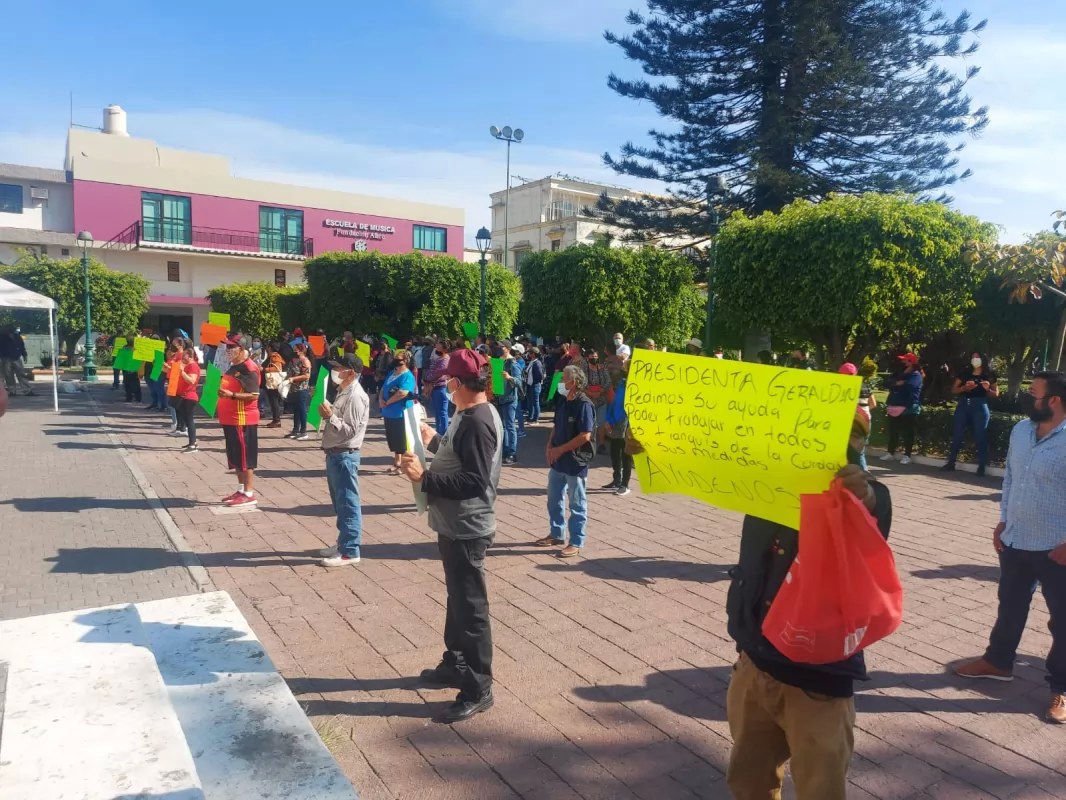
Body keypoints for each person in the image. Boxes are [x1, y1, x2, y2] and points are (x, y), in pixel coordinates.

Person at [725, 411, 893, 799]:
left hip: (819, 682)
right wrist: (655, 450)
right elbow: (709, 462)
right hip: (753, 660)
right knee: (747, 780)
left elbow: (874, 508)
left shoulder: (862, 493)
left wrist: (861, 496)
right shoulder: (768, 478)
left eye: (853, 438)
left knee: (820, 788)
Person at [953, 372, 1066, 724]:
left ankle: (1061, 688)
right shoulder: (1020, 431)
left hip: (1057, 548)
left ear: (1054, 401)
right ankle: (998, 662)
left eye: (1032, 393)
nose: (1024, 397)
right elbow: (1011, 479)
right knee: (1010, 606)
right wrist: (1003, 521)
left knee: (1063, 622)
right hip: (1016, 540)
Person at [398, 348, 502, 723]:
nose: (445, 387)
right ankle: (455, 663)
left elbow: (474, 481)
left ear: (457, 383)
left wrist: (424, 478)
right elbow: (459, 456)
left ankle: (478, 687)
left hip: (467, 527)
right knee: (458, 599)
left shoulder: (477, 421)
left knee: (471, 608)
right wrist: (433, 441)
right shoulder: (470, 414)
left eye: (447, 382)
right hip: (455, 525)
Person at [316, 354, 371, 568]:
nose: (335, 371)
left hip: (345, 455)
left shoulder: (357, 396)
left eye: (339, 368)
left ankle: (350, 550)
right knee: (340, 503)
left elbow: (350, 431)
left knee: (348, 503)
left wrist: (331, 416)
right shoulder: (344, 391)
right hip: (335, 454)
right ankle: (343, 542)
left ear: (351, 372)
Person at [535, 364, 595, 558]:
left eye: (564, 379)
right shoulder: (563, 400)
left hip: (575, 461)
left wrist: (560, 449)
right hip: (558, 460)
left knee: (577, 503)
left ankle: (576, 541)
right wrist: (549, 445)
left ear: (574, 382)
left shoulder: (584, 404)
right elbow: (556, 425)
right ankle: (556, 533)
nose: (560, 382)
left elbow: (585, 435)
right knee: (553, 499)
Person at [217, 335, 262, 507]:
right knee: (235, 456)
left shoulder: (249, 368)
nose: (228, 351)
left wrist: (232, 395)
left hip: (243, 419)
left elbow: (253, 395)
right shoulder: (234, 366)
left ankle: (249, 493)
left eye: (231, 348)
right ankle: (241, 490)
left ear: (242, 349)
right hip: (230, 418)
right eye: (227, 348)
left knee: (245, 457)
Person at [942, 351, 999, 477]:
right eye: (973, 357)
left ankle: (981, 467)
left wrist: (987, 389)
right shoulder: (965, 373)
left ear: (983, 359)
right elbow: (954, 389)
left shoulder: (989, 374)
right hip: (964, 404)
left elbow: (995, 394)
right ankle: (951, 463)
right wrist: (964, 388)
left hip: (980, 406)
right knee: (957, 435)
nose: (975, 359)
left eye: (977, 357)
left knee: (980, 436)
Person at [881, 353, 923, 465]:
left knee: (907, 433)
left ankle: (907, 455)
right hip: (894, 405)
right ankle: (890, 453)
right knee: (893, 432)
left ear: (911, 362)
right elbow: (887, 383)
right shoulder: (899, 373)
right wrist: (897, 383)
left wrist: (899, 383)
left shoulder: (916, 375)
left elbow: (910, 386)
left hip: (908, 408)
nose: (903, 362)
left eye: (906, 360)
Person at [379, 349, 416, 475]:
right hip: (388, 411)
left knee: (401, 440)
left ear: (405, 361)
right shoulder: (392, 373)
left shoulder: (408, 376)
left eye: (399, 359)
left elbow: (402, 393)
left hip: (400, 412)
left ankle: (403, 466)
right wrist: (380, 400)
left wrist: (388, 402)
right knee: (393, 439)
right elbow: (384, 387)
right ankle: (397, 462)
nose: (396, 361)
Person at [603, 359, 634, 495]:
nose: (623, 367)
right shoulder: (622, 382)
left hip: (625, 422)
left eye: (625, 366)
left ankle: (624, 484)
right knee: (615, 451)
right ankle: (616, 479)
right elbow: (615, 402)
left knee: (626, 453)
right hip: (616, 420)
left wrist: (613, 419)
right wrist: (609, 419)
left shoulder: (634, 385)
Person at [838, 362, 875, 470]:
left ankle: (864, 478)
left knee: (853, 453)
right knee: (859, 452)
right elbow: (873, 404)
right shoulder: (865, 386)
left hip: (851, 423)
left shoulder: (845, 387)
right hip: (866, 422)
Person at [493, 340, 523, 465]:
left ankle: (512, 452)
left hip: (510, 399)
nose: (499, 348)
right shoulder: (499, 361)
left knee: (510, 426)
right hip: (499, 397)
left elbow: (519, 381)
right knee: (502, 426)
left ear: (508, 348)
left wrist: (509, 377)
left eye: (502, 346)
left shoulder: (512, 363)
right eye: (499, 346)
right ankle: (504, 451)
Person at [584, 348, 612, 455]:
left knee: (601, 423)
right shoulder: (584, 370)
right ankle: (589, 444)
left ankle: (602, 444)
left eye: (596, 357)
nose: (595, 359)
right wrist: (590, 393)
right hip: (588, 400)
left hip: (601, 400)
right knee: (589, 423)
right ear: (587, 358)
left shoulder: (602, 368)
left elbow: (608, 381)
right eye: (592, 357)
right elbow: (581, 384)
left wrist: (600, 391)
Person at [175, 347, 201, 453]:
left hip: (189, 397)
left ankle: (193, 444)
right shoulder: (187, 365)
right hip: (183, 396)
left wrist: (182, 372)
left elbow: (192, 380)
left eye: (184, 355)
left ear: (190, 356)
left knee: (189, 420)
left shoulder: (193, 366)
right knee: (186, 419)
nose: (182, 357)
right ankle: (192, 442)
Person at [424, 338, 452, 436]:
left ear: (444, 348)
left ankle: (443, 433)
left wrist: (428, 378)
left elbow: (438, 373)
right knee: (437, 411)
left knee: (442, 412)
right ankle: (438, 432)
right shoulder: (438, 357)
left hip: (441, 387)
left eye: (439, 344)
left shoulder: (445, 359)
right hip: (435, 387)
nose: (436, 345)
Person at [285, 341, 312, 440]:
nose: (294, 351)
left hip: (302, 389)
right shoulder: (294, 360)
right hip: (293, 389)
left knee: (302, 410)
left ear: (301, 350)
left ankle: (304, 431)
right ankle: (295, 430)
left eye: (296, 349)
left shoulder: (305, 361)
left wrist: (293, 379)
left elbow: (306, 375)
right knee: (295, 410)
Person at [0, 324, 35, 396]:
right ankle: (12, 391)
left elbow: (21, 345)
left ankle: (27, 390)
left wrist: (24, 354)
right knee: (8, 375)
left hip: (16, 357)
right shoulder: (2, 337)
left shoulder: (17, 336)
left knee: (21, 374)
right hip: (6, 358)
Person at [261, 341, 286, 428]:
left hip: (273, 382)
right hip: (271, 382)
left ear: (270, 347)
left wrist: (264, 369)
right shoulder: (273, 356)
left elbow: (277, 368)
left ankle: (276, 420)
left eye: (268, 347)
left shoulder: (275, 356)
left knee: (274, 401)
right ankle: (275, 419)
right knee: (273, 401)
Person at [524, 347, 545, 424]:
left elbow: (540, 375)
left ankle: (535, 418)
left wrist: (534, 381)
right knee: (530, 402)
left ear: (533, 354)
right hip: (530, 385)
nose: (529, 354)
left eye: (530, 353)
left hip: (535, 385)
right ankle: (530, 417)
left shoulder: (537, 363)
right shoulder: (532, 362)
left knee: (535, 402)